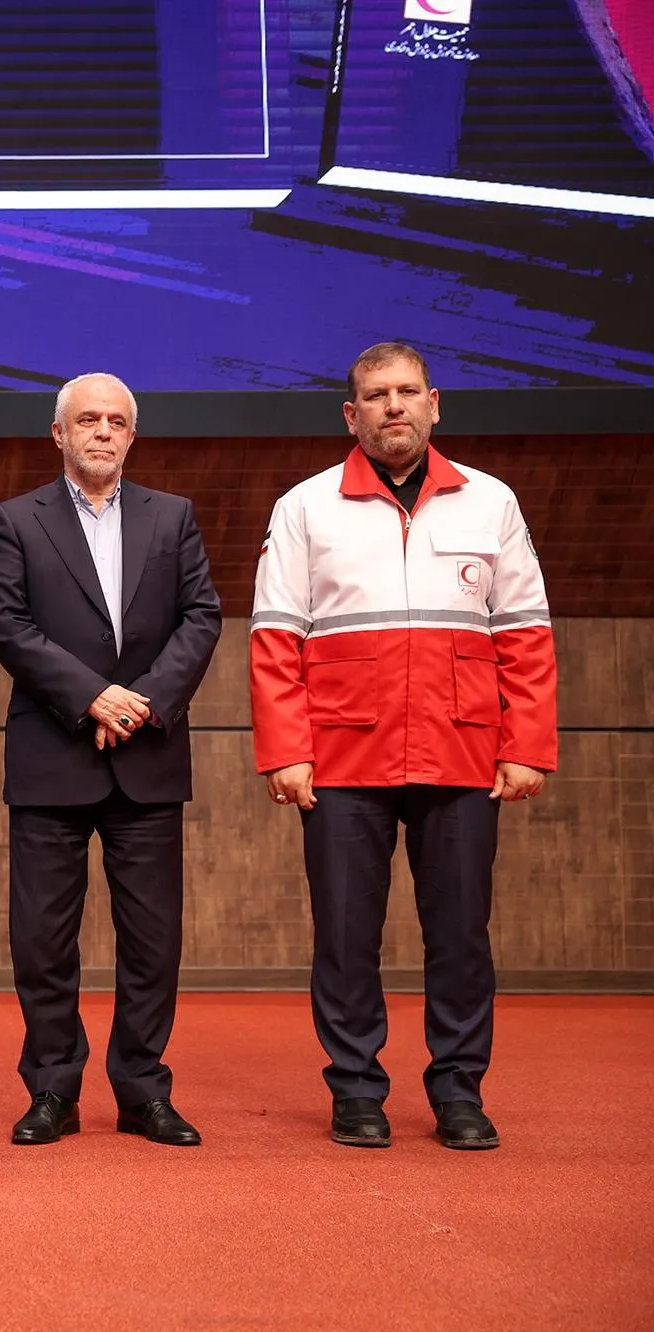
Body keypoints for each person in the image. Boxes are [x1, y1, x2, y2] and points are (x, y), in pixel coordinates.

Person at [250, 341, 555, 1152]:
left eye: (408, 391)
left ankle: (459, 1090)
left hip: (463, 752)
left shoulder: (491, 501)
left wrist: (526, 743)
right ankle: (356, 1089)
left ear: (434, 404)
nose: (395, 406)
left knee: (461, 935)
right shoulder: (305, 506)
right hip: (343, 757)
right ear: (352, 415)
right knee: (346, 935)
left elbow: (525, 634)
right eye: (378, 395)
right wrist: (285, 750)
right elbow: (275, 638)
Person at [0, 372, 221, 1149]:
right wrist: (92, 697)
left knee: (152, 941)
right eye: (88, 420)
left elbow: (201, 616)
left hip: (147, 752)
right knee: (42, 940)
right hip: (52, 753)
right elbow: (8, 624)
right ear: (59, 434)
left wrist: (142, 701)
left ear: (132, 436)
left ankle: (143, 1090)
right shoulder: (16, 519)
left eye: (117, 421)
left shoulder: (173, 516)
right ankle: (53, 1087)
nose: (103, 432)